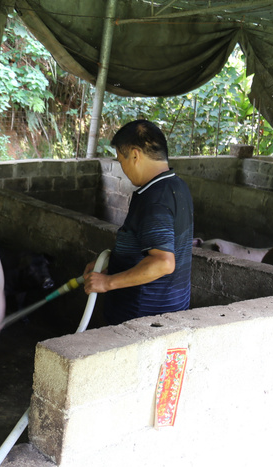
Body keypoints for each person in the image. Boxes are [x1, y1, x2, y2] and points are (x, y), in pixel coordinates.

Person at [83, 119, 193, 325]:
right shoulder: (177, 186)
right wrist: (113, 269)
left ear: (135, 155)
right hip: (170, 311)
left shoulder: (155, 199)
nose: (122, 168)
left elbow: (163, 263)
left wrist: (107, 283)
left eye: (120, 160)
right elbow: (148, 251)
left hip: (142, 317)